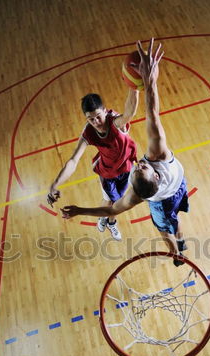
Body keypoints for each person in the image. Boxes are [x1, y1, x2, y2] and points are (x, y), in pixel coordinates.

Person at [61, 38, 189, 265]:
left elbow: (112, 210)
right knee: (175, 218)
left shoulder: (138, 195)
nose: (140, 164)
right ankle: (182, 241)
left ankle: (177, 255)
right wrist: (149, 82)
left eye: (137, 168)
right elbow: (153, 112)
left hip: (165, 198)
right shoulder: (160, 155)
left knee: (163, 228)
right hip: (179, 185)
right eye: (142, 167)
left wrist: (81, 210)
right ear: (155, 175)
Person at [47, 87, 139, 240]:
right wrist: (54, 185)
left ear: (104, 110)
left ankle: (103, 217)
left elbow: (129, 113)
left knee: (111, 200)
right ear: (86, 118)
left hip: (126, 167)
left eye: (98, 116)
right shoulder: (88, 132)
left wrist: (134, 87)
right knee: (115, 202)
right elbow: (73, 161)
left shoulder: (115, 122)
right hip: (107, 171)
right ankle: (111, 222)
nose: (96, 122)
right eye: (90, 119)